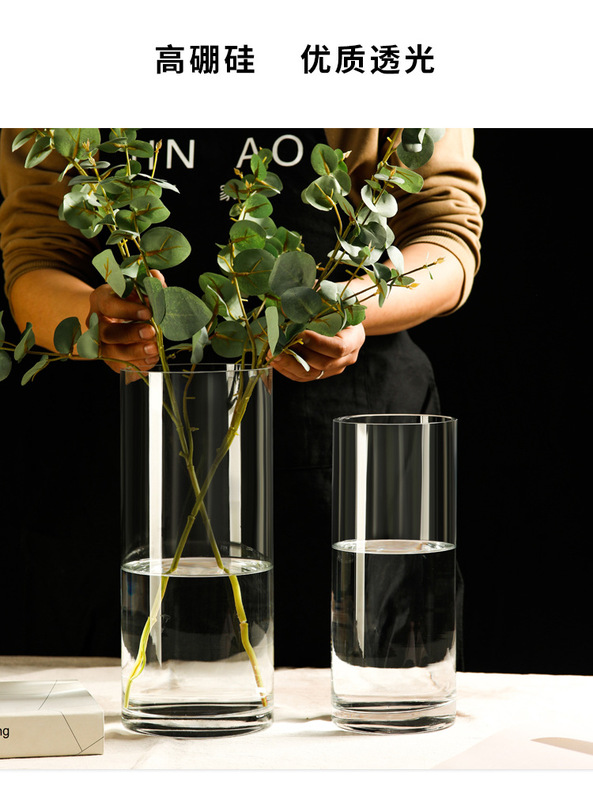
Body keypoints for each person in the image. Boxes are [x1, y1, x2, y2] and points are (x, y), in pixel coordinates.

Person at [0, 128, 485, 666]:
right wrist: (97, 321)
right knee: (127, 697)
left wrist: (349, 305)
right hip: (124, 465)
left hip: (342, 460)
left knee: (367, 694)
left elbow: (446, 234)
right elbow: (36, 253)